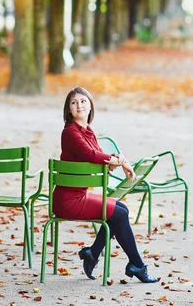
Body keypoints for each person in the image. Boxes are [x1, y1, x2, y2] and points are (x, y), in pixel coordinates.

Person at [52, 87, 158, 283]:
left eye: (83, 101)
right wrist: (122, 162)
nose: (79, 105)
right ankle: (137, 266)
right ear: (68, 110)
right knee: (119, 214)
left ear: (90, 105)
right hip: (68, 201)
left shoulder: (88, 131)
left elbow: (102, 163)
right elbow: (92, 155)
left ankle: (93, 253)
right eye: (74, 102)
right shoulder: (70, 133)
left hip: (78, 196)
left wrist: (116, 160)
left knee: (120, 209)